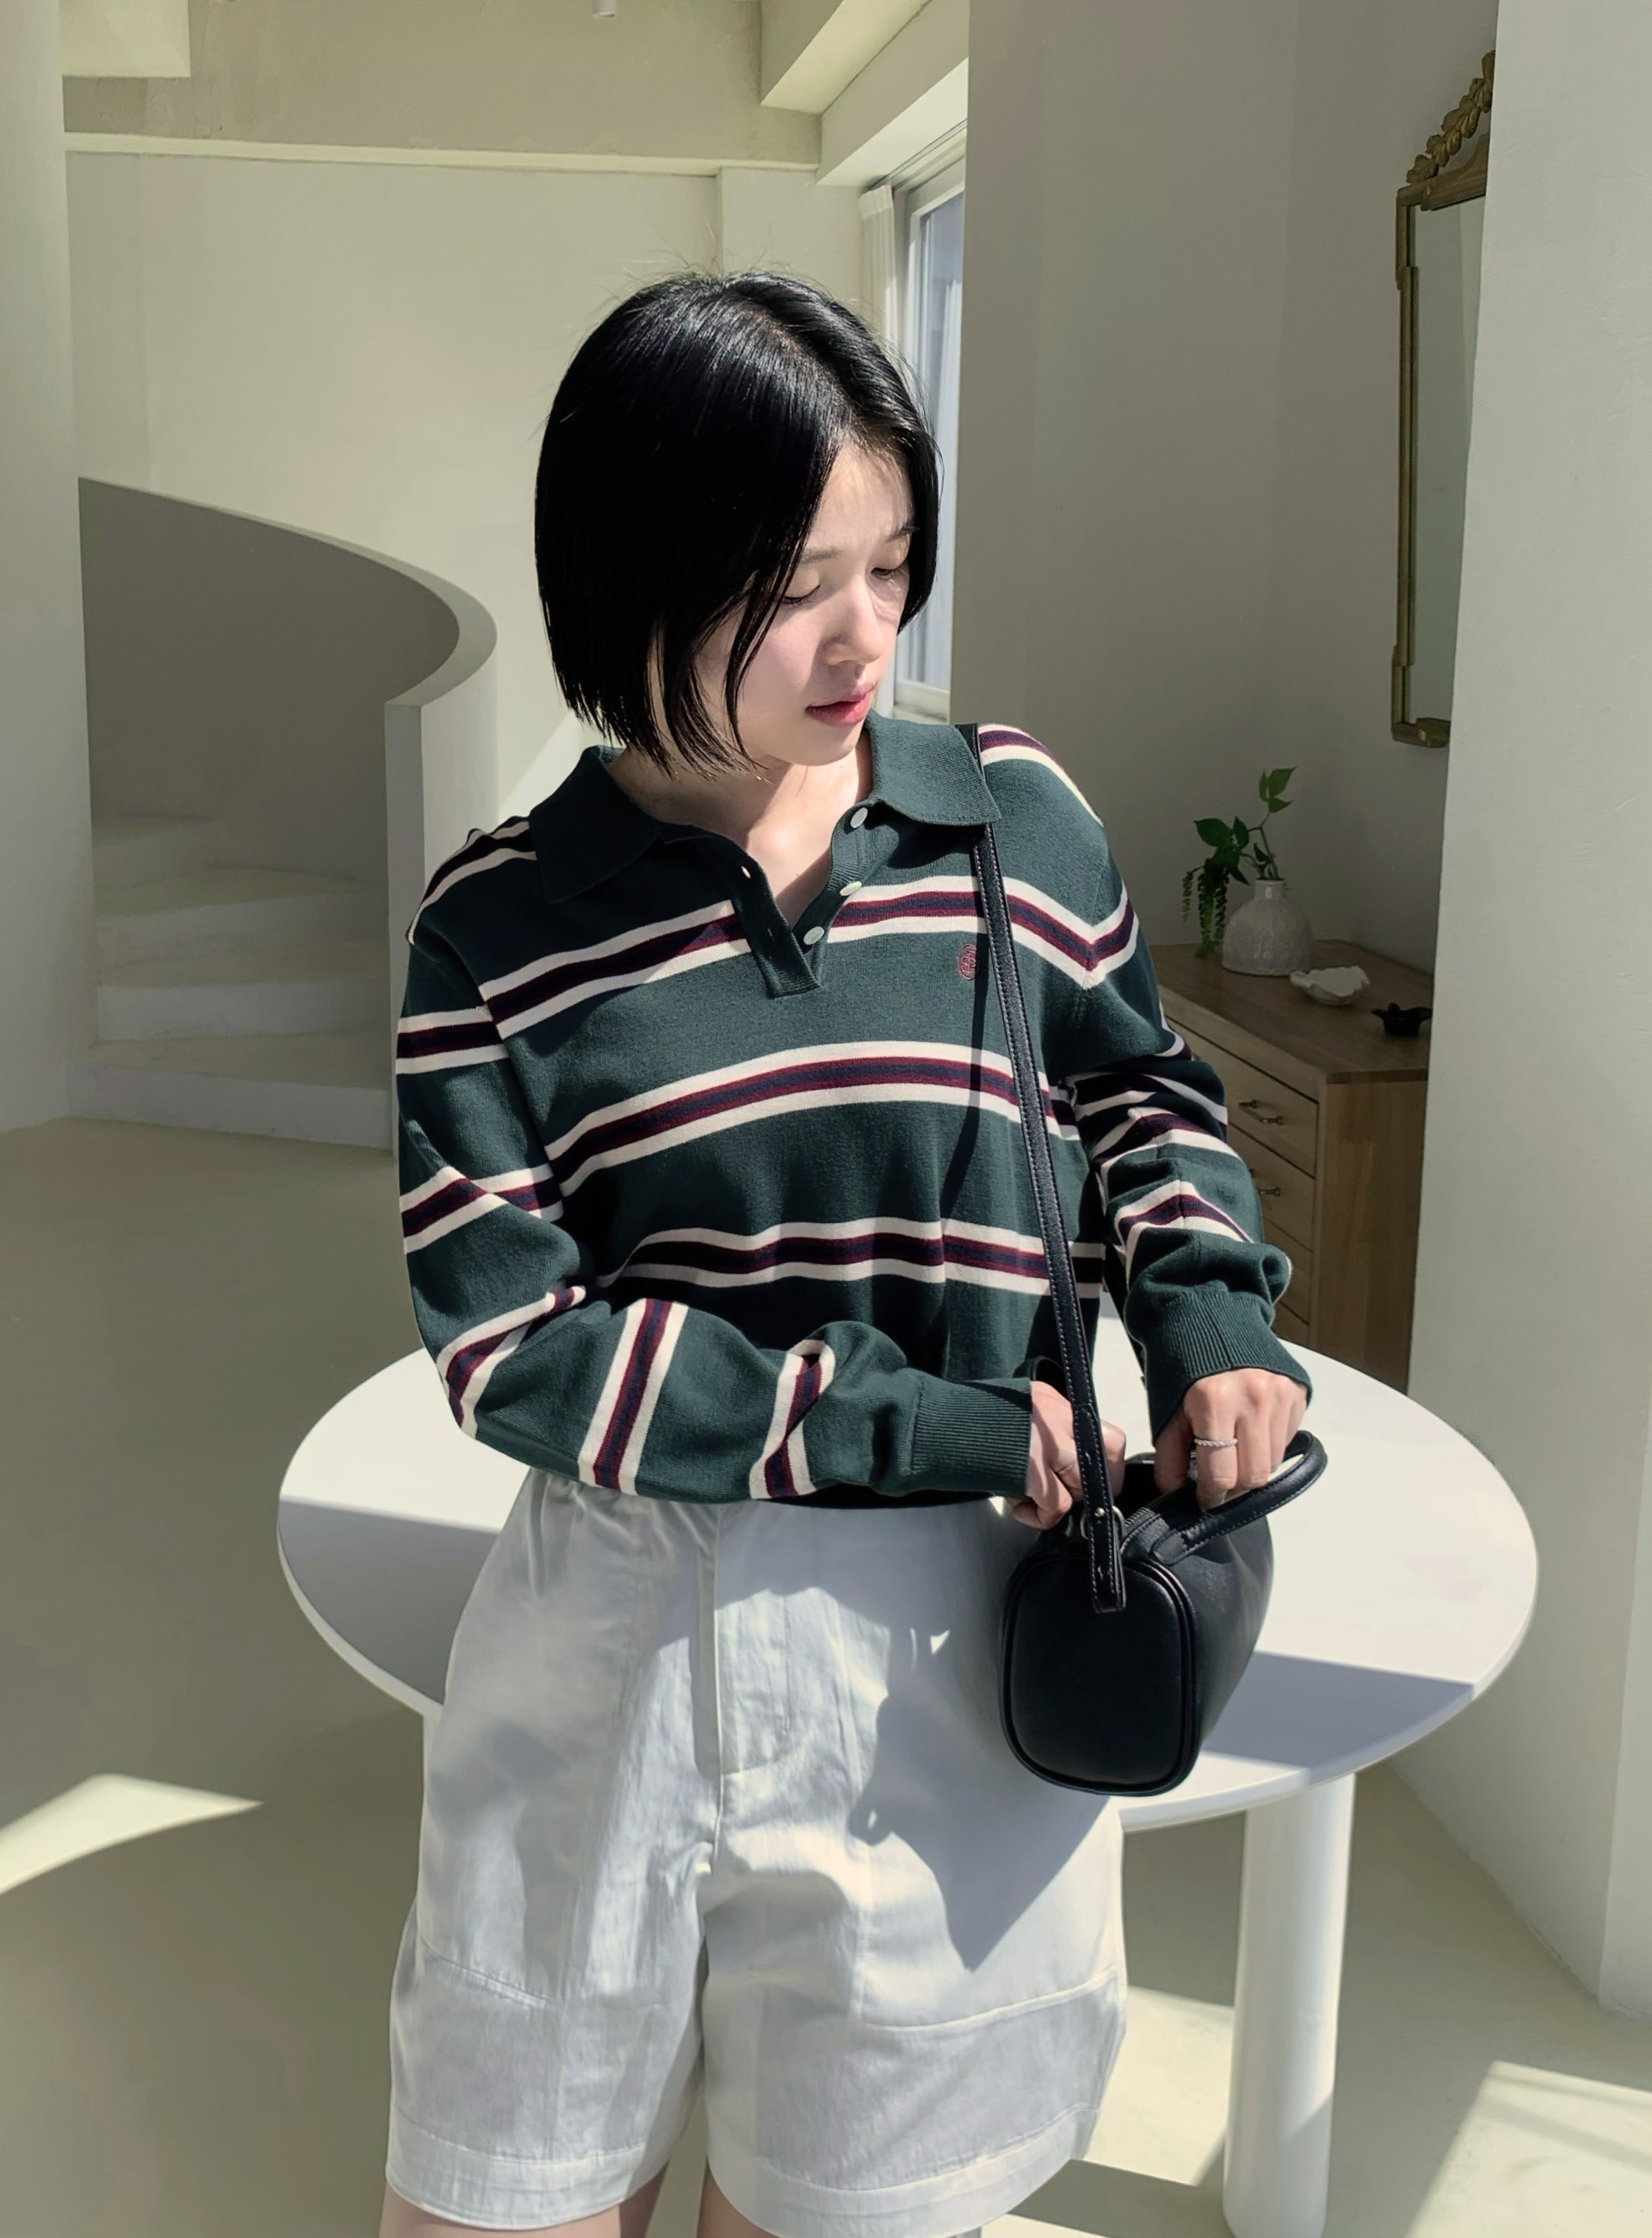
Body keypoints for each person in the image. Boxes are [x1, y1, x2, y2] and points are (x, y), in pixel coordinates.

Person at [381, 271, 1309, 2238]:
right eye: (796, 584)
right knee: (501, 2194)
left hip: (956, 1647)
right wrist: (903, 1419)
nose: (867, 633)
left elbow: (1142, 1094)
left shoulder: (1010, 822)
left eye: (892, 566)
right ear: (634, 574)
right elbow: (513, 1346)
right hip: (617, 1642)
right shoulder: (497, 930)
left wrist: (1210, 1315)